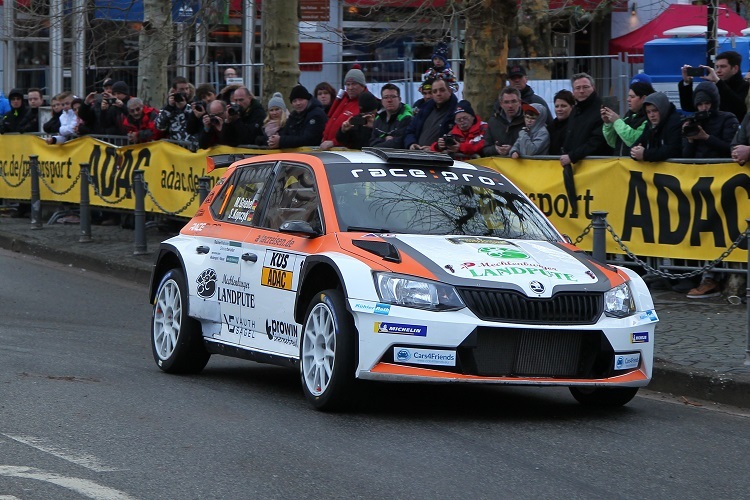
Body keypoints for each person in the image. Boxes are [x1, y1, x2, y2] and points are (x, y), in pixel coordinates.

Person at [679, 51, 748, 122]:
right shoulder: (713, 87)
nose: (718, 71)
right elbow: (689, 107)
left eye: (723, 67)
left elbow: (739, 109)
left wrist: (718, 82)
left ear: (735, 68)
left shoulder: (746, 87)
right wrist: (687, 83)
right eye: (717, 67)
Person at [321, 67, 375, 150]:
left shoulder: (366, 102)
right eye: (348, 84)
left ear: (362, 85)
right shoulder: (344, 99)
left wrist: (334, 142)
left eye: (354, 84)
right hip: (331, 148)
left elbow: (359, 129)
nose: (350, 88)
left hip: (346, 152)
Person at [681, 81, 738, 159]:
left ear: (714, 103)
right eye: (700, 104)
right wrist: (690, 141)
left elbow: (731, 149)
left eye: (707, 103)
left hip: (721, 167)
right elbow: (685, 156)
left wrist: (706, 137)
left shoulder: (728, 119)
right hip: (697, 168)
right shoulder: (692, 121)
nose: (704, 108)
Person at [601, 79, 655, 157]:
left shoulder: (649, 119)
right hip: (620, 164)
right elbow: (613, 142)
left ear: (644, 98)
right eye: (628, 96)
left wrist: (616, 121)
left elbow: (634, 140)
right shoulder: (628, 116)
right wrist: (608, 123)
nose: (628, 100)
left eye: (632, 97)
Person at [404, 76, 458, 150]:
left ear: (449, 91)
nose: (438, 94)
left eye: (442, 90)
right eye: (435, 91)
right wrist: (411, 144)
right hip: (418, 155)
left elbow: (458, 139)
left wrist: (434, 148)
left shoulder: (456, 112)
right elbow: (410, 131)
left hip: (440, 158)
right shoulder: (423, 109)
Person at [268, 84, 327, 149]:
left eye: (301, 99)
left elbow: (309, 139)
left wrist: (281, 141)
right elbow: (284, 132)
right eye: (294, 101)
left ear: (307, 99)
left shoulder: (316, 114)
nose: (298, 103)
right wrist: (272, 140)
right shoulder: (294, 116)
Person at [630, 92, 682, 162]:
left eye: (654, 111)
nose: (651, 115)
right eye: (648, 112)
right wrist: (635, 152)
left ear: (662, 109)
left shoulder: (674, 122)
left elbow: (673, 150)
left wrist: (645, 154)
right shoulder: (649, 125)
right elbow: (636, 144)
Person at [481, 87, 525, 157]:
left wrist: (514, 149)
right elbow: (484, 148)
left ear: (519, 102)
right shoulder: (493, 122)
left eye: (513, 101)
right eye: (506, 102)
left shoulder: (528, 121)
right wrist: (495, 149)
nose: (510, 106)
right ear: (501, 104)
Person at [370, 83, 413, 149]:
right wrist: (385, 139)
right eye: (386, 97)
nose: (389, 100)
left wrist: (376, 146)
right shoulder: (378, 119)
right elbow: (371, 142)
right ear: (382, 101)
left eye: (393, 97)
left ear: (399, 99)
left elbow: (398, 144)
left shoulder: (406, 118)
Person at [155, 76, 195, 144]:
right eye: (181, 89)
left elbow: (198, 122)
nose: (185, 92)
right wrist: (169, 107)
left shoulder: (194, 105)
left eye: (187, 89)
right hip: (174, 148)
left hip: (192, 146)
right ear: (174, 90)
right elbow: (159, 126)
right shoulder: (167, 108)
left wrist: (184, 107)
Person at [548, 89, 574, 155]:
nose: (559, 109)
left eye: (563, 106)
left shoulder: (576, 126)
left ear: (572, 107)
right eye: (557, 106)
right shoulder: (550, 127)